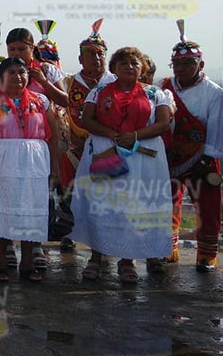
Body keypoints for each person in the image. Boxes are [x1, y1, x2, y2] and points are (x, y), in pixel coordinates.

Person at [71, 47, 173, 282]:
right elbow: (86, 119)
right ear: (114, 68)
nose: (129, 67)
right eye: (123, 63)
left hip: (143, 160)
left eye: (134, 63)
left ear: (143, 68)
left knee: (134, 207)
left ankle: (128, 260)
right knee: (103, 204)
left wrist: (135, 135)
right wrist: (111, 134)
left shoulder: (155, 93)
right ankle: (95, 258)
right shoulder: (99, 91)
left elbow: (163, 122)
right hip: (106, 153)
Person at [0, 57, 61, 282]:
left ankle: (27, 261)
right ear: (1, 77)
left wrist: (55, 169)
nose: (18, 76)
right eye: (11, 72)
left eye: (22, 72)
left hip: (34, 164)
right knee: (0, 211)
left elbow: (53, 136)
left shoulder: (41, 100)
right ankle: (1, 260)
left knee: (30, 211)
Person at [160, 21, 223, 272]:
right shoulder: (165, 86)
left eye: (187, 63)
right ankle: (167, 249)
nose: (181, 69)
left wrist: (207, 157)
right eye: (176, 64)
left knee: (208, 207)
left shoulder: (213, 92)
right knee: (167, 203)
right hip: (170, 155)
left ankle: (206, 255)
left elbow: (216, 125)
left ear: (201, 65)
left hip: (203, 155)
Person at [57, 22, 115, 255]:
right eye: (90, 54)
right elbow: (60, 110)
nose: (96, 58)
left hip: (106, 147)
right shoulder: (68, 83)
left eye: (100, 54)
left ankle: (104, 238)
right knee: (70, 191)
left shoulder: (114, 82)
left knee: (105, 193)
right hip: (74, 147)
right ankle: (69, 234)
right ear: (80, 59)